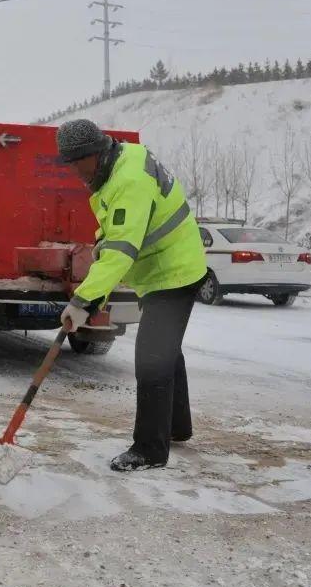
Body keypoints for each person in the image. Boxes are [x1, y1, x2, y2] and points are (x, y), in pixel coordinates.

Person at [56, 118, 207, 472]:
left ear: (96, 152)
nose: (76, 171)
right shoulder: (122, 161)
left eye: (80, 162)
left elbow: (122, 250)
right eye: (71, 164)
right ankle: (176, 426)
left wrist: (84, 300)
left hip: (174, 272)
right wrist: (102, 245)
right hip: (160, 270)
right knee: (165, 349)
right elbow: (118, 227)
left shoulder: (129, 180)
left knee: (152, 357)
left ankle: (150, 449)